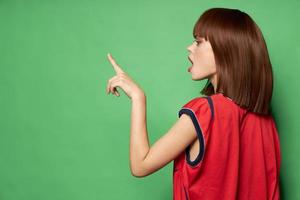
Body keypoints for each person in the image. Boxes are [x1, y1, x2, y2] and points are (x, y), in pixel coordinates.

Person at [106, 7, 281, 200]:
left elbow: (141, 165)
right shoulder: (267, 124)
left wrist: (138, 98)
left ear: (225, 50)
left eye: (198, 42)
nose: (189, 47)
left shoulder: (205, 112)